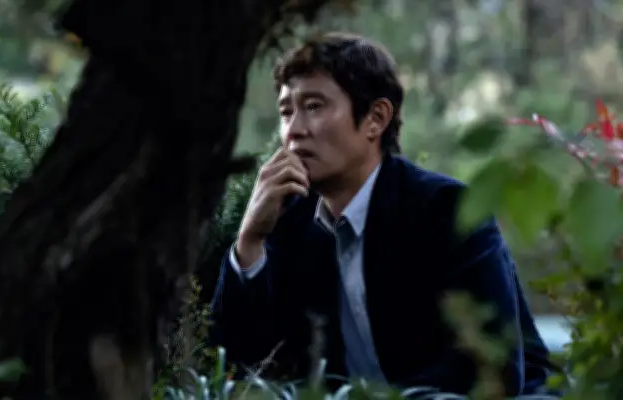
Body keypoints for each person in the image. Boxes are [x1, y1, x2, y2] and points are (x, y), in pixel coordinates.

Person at [209, 32, 560, 396]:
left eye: (313, 106)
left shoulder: (447, 211)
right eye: (286, 112)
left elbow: (489, 370)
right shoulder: (289, 220)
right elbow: (241, 365)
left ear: (376, 119)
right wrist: (249, 241)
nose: (294, 130)